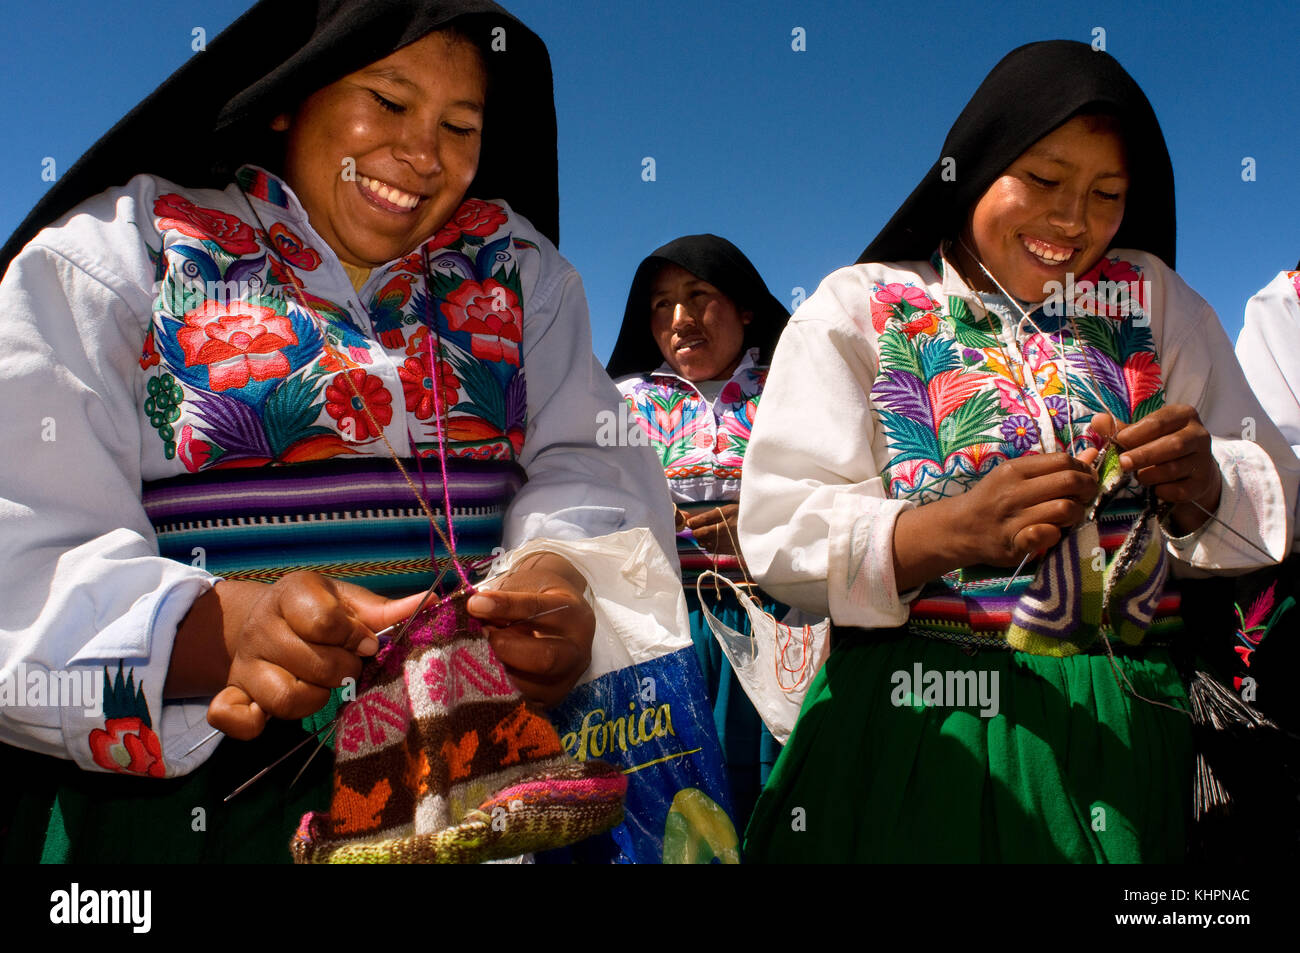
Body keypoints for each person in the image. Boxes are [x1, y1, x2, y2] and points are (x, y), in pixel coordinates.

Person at [0, 0, 675, 863]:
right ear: (289, 96)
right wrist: (228, 628)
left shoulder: (522, 275)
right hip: (202, 812)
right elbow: (22, 541)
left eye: (460, 125)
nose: (423, 154)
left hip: (471, 778)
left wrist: (557, 573)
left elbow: (590, 460)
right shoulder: (123, 251)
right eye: (388, 102)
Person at [737, 40, 1298, 862]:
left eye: (1108, 193)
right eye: (1041, 179)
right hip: (921, 727)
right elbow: (780, 529)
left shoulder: (1154, 301)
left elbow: (1279, 484)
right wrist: (949, 531)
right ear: (974, 165)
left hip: (1129, 736)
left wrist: (1204, 484)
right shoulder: (861, 308)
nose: (1073, 221)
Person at [606, 234, 791, 825]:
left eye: (698, 295)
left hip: (780, 624)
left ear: (745, 307)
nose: (679, 318)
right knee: (672, 803)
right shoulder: (619, 404)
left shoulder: (796, 387)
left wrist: (765, 521)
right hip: (660, 630)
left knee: (772, 795)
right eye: (661, 304)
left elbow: (853, 485)